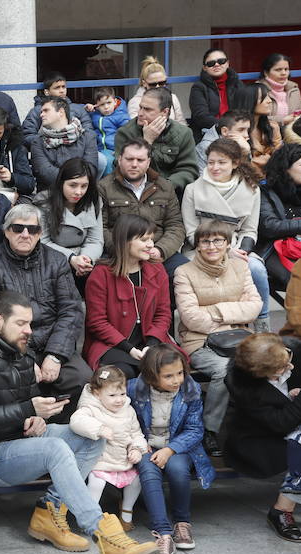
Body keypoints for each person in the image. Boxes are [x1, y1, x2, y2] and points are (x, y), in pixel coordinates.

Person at [0, 289, 158, 554]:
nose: (28, 331)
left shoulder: (20, 354)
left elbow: (27, 407)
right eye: (21, 323)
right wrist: (26, 410)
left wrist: (38, 418)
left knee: (90, 436)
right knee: (55, 450)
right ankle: (106, 537)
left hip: (19, 440)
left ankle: (49, 512)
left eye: (30, 323)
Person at [0, 203, 91, 417]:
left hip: (53, 342)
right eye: (18, 228)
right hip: (11, 349)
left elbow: (71, 310)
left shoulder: (56, 261)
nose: (25, 234)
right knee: (17, 384)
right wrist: (25, 358)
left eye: (33, 229)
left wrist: (55, 356)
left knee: (81, 378)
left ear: (41, 233)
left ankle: (63, 430)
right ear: (7, 231)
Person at [174, 219, 261, 457]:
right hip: (199, 341)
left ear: (228, 243)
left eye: (218, 240)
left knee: (272, 362)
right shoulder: (184, 273)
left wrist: (215, 312)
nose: (212, 246)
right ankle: (210, 430)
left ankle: (259, 429)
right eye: (205, 241)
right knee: (225, 368)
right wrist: (232, 313)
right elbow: (191, 318)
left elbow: (254, 306)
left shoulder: (241, 267)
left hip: (239, 339)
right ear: (198, 245)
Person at [129, 345, 214, 554]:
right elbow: (123, 420)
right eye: (168, 376)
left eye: (180, 373)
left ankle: (182, 522)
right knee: (148, 469)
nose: (176, 380)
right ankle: (163, 534)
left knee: (177, 468)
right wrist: (138, 443)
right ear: (150, 376)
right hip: (145, 445)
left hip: (179, 447)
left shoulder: (190, 389)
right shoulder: (133, 390)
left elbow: (195, 430)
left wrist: (170, 449)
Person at [182, 138, 269, 331]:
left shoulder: (251, 190)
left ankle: (263, 322)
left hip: (236, 246)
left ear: (235, 163)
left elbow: (249, 230)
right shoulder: (193, 190)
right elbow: (191, 231)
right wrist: (221, 251)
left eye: (222, 162)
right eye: (211, 162)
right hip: (201, 248)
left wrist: (241, 252)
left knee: (256, 269)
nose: (215, 167)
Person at [225, 334, 301, 542]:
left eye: (288, 357)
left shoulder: (295, 350)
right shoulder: (244, 386)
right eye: (282, 367)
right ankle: (281, 510)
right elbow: (280, 423)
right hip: (261, 438)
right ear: (260, 374)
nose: (290, 367)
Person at [84, 214, 181, 377]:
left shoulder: (157, 270)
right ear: (125, 241)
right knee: (124, 373)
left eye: (151, 239)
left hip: (151, 343)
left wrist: (151, 344)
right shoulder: (101, 275)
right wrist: (129, 349)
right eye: (144, 240)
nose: (151, 245)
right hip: (112, 346)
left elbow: (163, 314)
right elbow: (97, 322)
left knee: (171, 369)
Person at [69, 366, 146, 531]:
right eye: (112, 395)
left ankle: (126, 512)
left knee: (136, 480)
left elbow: (136, 433)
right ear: (97, 394)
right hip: (100, 461)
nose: (119, 400)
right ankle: (90, 516)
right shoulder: (90, 408)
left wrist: (137, 449)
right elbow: (77, 421)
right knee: (97, 482)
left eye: (122, 394)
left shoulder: (128, 410)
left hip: (122, 460)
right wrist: (98, 429)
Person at [99, 140, 188, 279]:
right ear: (120, 159)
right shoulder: (104, 187)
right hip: (119, 253)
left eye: (140, 160)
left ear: (148, 162)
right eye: (129, 159)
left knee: (184, 272)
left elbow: (175, 225)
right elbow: (101, 227)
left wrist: (160, 250)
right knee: (100, 274)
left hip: (156, 250)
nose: (134, 164)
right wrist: (125, 250)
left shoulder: (164, 187)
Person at [31, 157, 103, 292]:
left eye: (84, 186)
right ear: (61, 183)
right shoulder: (44, 201)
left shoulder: (93, 201)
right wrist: (71, 258)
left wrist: (86, 259)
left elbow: (96, 239)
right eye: (73, 185)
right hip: (54, 259)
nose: (78, 192)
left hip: (83, 260)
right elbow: (43, 241)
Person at [114, 87, 199, 196]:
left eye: (147, 109)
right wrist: (146, 142)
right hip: (134, 193)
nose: (140, 113)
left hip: (171, 193)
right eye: (140, 107)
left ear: (164, 112)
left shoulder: (183, 133)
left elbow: (188, 170)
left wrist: (165, 187)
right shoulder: (125, 132)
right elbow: (120, 168)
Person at [255, 143, 301, 291]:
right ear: (285, 167)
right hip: (276, 249)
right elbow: (269, 226)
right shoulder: (265, 191)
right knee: (299, 282)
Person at [31, 96, 98, 192]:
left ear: (61, 112)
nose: (41, 115)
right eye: (41, 112)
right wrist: (73, 183)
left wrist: (73, 185)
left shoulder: (87, 137)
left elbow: (91, 169)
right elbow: (45, 172)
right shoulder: (38, 142)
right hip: (50, 195)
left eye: (46, 110)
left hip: (81, 194)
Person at [21, 72, 93, 150]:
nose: (62, 90)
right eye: (57, 87)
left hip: (77, 151)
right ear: (46, 92)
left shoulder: (78, 109)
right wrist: (51, 141)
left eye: (63, 87)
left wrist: (73, 144)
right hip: (47, 152)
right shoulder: (37, 111)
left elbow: (89, 133)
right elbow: (27, 136)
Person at [189, 48, 242, 142]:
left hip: (236, 131)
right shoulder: (199, 87)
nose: (216, 64)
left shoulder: (238, 84)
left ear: (227, 63)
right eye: (211, 63)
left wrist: (235, 128)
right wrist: (225, 127)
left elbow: (245, 110)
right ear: (204, 67)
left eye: (221, 61)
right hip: (208, 133)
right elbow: (200, 116)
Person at [234, 82, 283, 178]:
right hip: (248, 181)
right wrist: (268, 160)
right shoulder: (237, 130)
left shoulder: (272, 126)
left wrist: (259, 161)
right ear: (250, 101)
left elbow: (281, 157)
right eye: (263, 98)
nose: (269, 101)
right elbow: (239, 165)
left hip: (274, 179)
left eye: (269, 97)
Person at [85, 87, 131, 177]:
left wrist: (121, 149)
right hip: (99, 149)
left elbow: (128, 133)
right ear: (96, 106)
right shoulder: (95, 114)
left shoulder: (121, 116)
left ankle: (110, 184)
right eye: (102, 105)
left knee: (109, 163)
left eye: (109, 103)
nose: (106, 107)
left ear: (115, 101)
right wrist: (87, 109)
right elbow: (82, 113)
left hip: (115, 150)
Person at [127, 56, 186, 124]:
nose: (158, 87)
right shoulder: (135, 102)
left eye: (162, 83)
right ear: (144, 83)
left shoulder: (173, 98)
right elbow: (135, 128)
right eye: (153, 84)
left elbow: (181, 123)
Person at [194, 110, 251, 174]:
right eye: (241, 130)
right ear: (225, 131)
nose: (246, 135)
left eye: (247, 130)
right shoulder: (206, 146)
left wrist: (245, 152)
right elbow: (202, 178)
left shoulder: (242, 144)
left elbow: (248, 176)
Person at [257, 53, 301, 127]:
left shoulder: (294, 89)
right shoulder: (257, 90)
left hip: (293, 133)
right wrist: (282, 120)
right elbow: (255, 118)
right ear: (266, 72)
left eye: (286, 69)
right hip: (267, 133)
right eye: (278, 70)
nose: (283, 73)